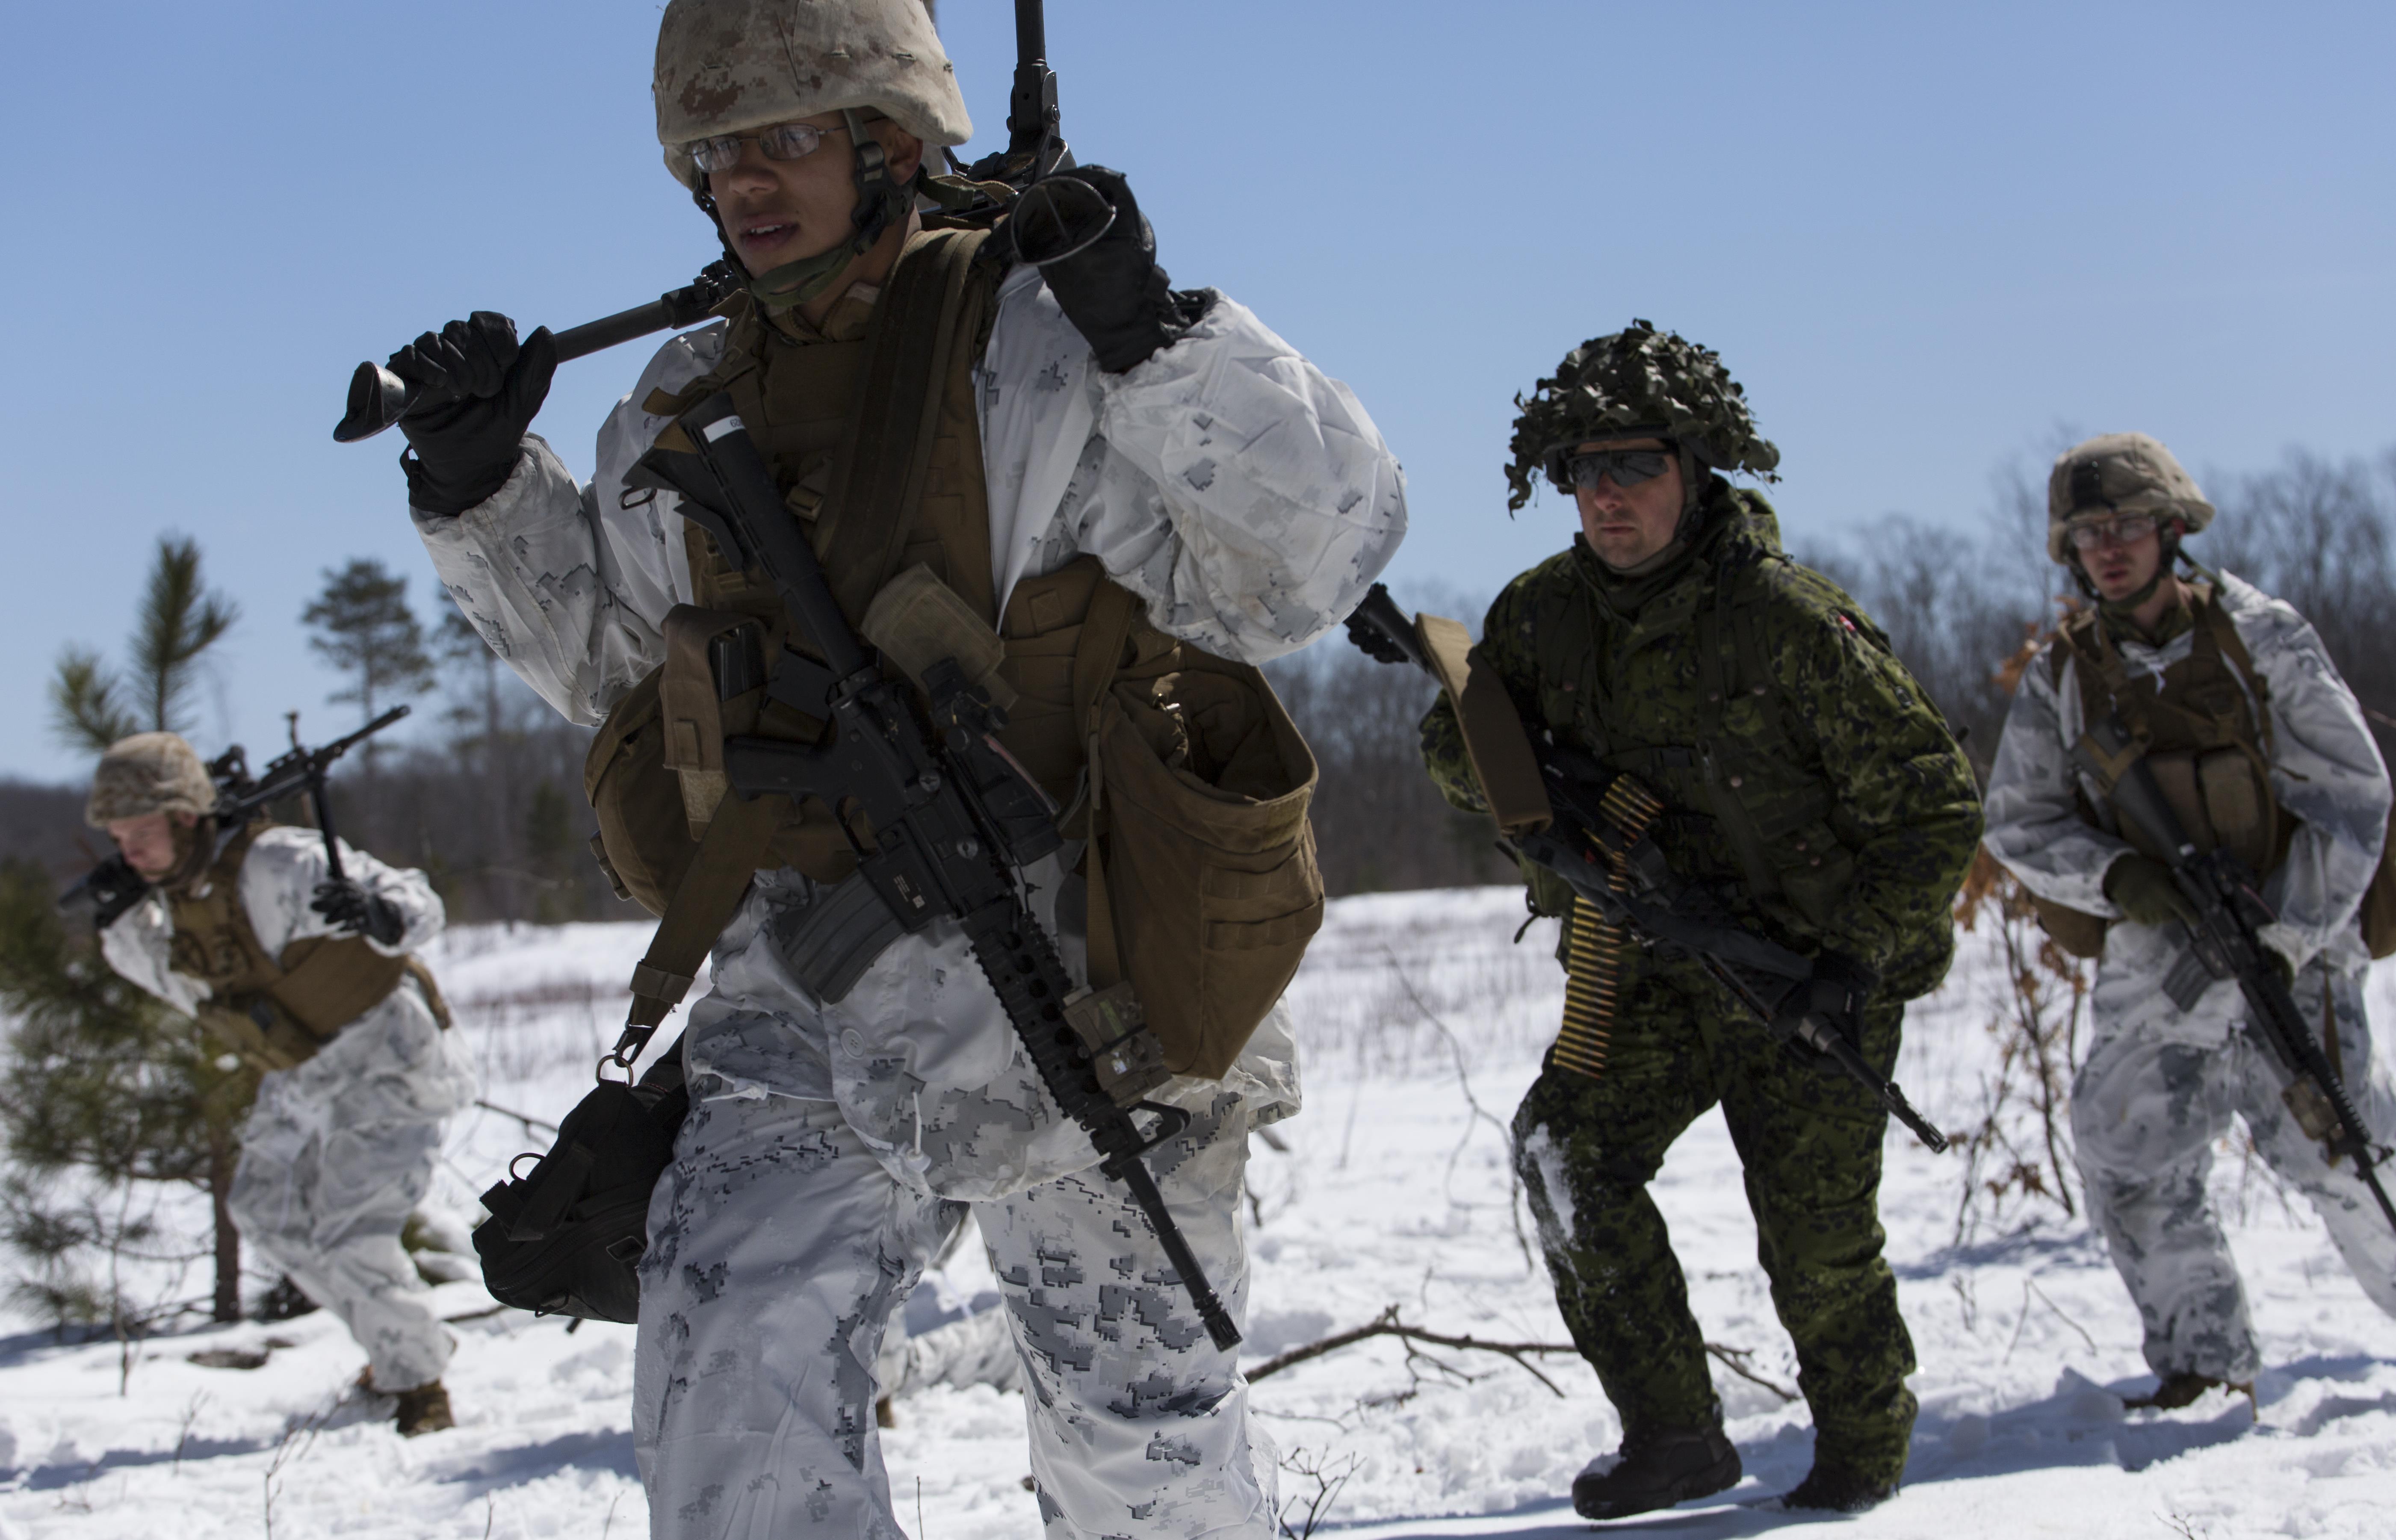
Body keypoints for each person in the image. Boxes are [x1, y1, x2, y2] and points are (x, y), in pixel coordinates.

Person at [378, 2, 1405, 1534]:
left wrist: (1155, 333)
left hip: (1084, 983)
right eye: (715, 154)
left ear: (893, 144)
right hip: (800, 997)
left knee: (1140, 1452)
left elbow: (1304, 567)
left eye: (784, 139)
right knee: (727, 1401)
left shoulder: (1044, 347)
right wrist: (478, 490)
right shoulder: (676, 398)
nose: (743, 182)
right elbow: (614, 665)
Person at [1417, 322, 1980, 1517]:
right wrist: (1541, 812)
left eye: (1632, 466)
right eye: (1582, 471)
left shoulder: (1785, 622)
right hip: (1645, 969)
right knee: (1563, 1152)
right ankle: (1673, 1432)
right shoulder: (1538, 617)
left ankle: (1863, 1455)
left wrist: (1856, 961)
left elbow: (1933, 809)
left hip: (1804, 975)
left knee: (1816, 1244)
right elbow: (1450, 740)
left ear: (1694, 467)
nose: (1606, 496)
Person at [1983, 432, 2396, 1410]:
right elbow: (2017, 820)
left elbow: (2353, 794)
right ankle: (2205, 1363)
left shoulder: (2262, 637)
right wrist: (2119, 875)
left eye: (2126, 526)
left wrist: (2289, 934)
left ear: (2172, 531)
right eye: (2087, 535)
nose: (2107, 548)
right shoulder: (2064, 677)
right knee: (2129, 1149)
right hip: (2161, 957)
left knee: (2344, 1151)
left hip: (2291, 933)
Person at [87, 731, 470, 1435]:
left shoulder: (277, 862)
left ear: (185, 818)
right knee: (265, 1209)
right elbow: (187, 992)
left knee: (353, 1232)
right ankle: (398, 1345)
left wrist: (383, 915)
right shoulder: (168, 904)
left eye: (140, 833)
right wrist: (120, 927)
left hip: (388, 1060)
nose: (129, 853)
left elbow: (416, 900)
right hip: (303, 1074)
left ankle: (421, 1388)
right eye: (118, 838)